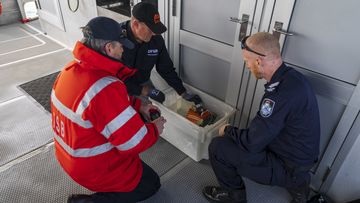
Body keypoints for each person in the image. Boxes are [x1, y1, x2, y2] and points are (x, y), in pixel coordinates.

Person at [50, 16, 166, 203]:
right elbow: (133, 143)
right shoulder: (105, 86)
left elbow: (103, 107)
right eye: (121, 45)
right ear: (109, 48)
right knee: (151, 184)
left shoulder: (70, 70)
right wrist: (155, 129)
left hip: (69, 157)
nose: (123, 50)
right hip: (94, 167)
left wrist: (139, 105)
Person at [202, 32, 320, 203]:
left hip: (288, 165)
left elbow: (252, 142)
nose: (247, 66)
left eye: (246, 62)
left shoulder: (278, 95)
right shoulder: (293, 77)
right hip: (300, 159)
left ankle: (234, 197)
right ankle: (300, 187)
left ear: (258, 61)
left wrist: (227, 130)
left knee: (218, 147)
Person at [119, 2, 201, 104]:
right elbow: (111, 76)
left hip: (143, 80)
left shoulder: (156, 40)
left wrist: (182, 92)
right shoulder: (116, 41)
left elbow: (166, 68)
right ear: (135, 24)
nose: (154, 33)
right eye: (150, 29)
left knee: (155, 108)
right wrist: (144, 91)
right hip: (118, 86)